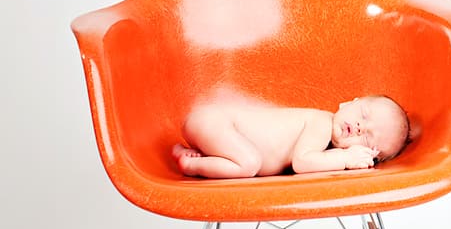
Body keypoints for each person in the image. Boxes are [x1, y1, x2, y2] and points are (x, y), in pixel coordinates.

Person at [171, 95, 410, 178]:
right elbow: (302, 162)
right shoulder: (322, 122)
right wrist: (347, 159)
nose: (360, 127)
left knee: (244, 159)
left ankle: (201, 153)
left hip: (217, 130)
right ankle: (192, 164)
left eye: (367, 139)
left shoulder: (327, 146)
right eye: (364, 114)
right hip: (215, 120)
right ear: (349, 103)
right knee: (249, 163)